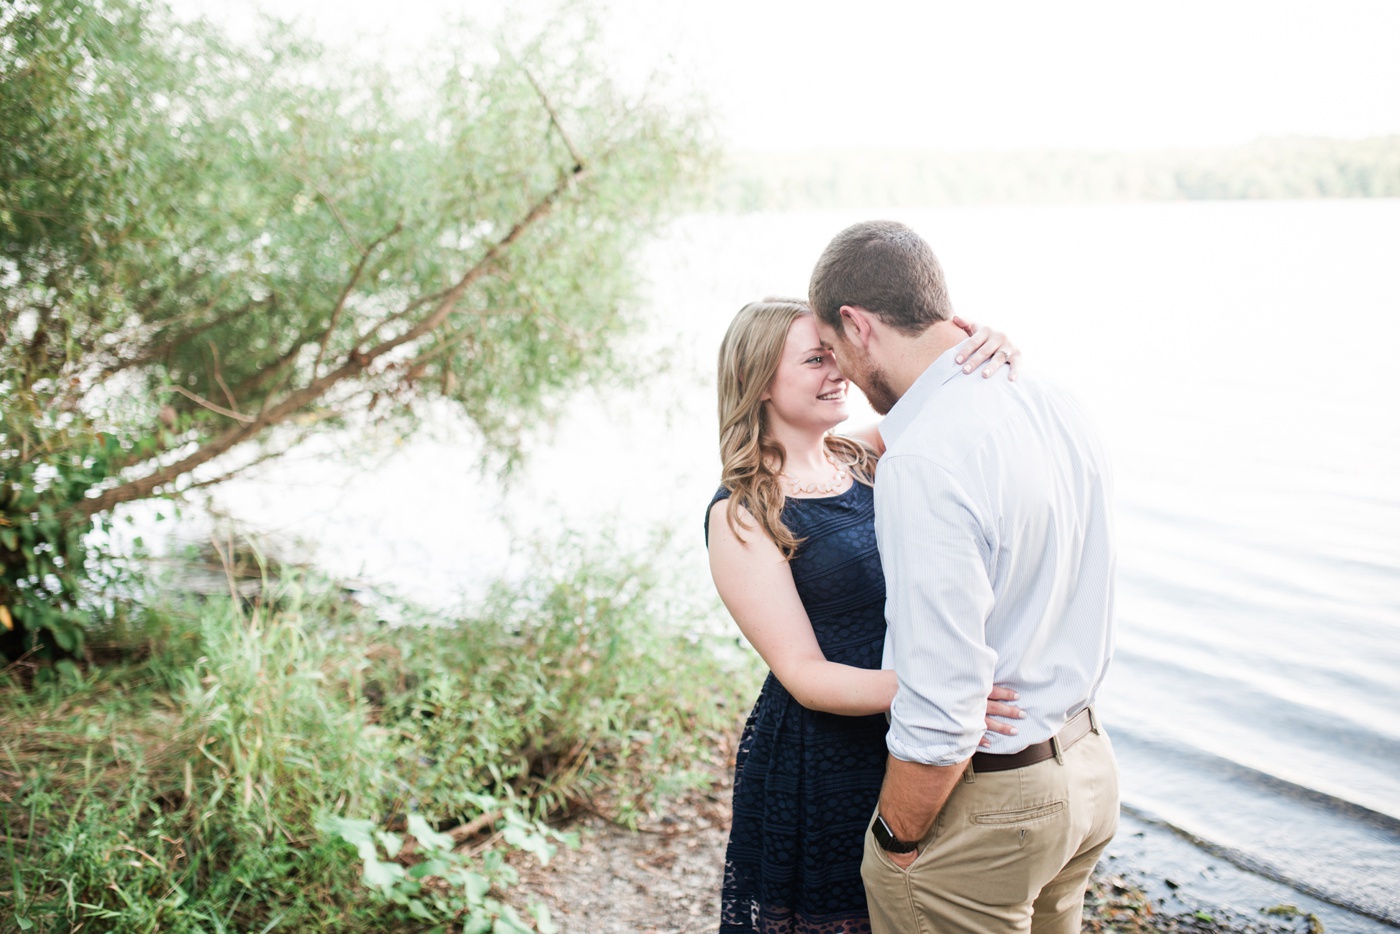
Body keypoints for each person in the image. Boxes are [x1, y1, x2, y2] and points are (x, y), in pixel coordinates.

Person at [807, 220, 1118, 934]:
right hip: (1088, 769)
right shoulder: (1051, 397)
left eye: (833, 352)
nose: (843, 377)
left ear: (857, 325)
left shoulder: (926, 462)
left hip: (996, 805)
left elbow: (944, 705)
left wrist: (895, 839)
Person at [705, 297, 1024, 933]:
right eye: (816, 359)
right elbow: (802, 672)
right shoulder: (743, 511)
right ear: (759, 379)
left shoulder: (857, 456)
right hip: (822, 753)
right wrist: (937, 687)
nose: (840, 370)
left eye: (839, 353)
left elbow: (941, 394)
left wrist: (983, 340)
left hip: (908, 734)